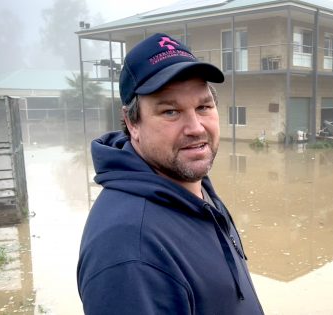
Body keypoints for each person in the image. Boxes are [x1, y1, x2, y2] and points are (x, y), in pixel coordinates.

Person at [77, 33, 264, 315]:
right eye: (171, 112)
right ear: (132, 123)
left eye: (203, 107)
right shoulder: (130, 250)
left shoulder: (194, 188)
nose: (196, 127)